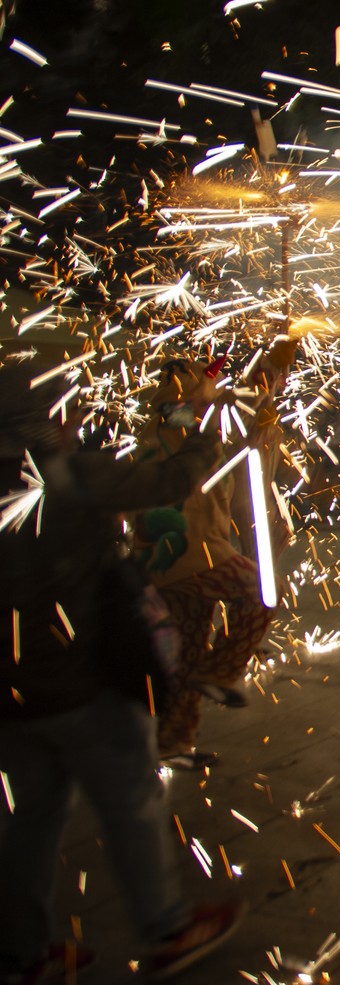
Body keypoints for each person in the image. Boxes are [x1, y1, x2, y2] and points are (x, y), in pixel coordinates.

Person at [0, 362, 245, 984]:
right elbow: (170, 480)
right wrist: (203, 422)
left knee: (34, 814)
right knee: (131, 800)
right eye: (65, 412)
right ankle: (167, 930)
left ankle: (20, 954)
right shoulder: (69, 473)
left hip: (11, 694)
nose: (74, 420)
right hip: (81, 684)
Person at [132, 349, 288, 768]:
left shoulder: (180, 430)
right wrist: (240, 400)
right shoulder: (171, 427)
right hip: (190, 553)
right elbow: (190, 429)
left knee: (186, 651)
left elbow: (232, 455)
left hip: (181, 559)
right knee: (261, 591)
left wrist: (265, 401)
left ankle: (172, 742)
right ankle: (220, 672)